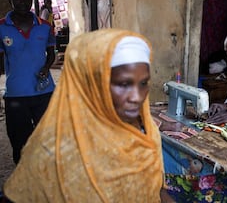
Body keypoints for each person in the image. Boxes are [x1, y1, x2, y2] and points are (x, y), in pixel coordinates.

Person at [3, 28, 174, 202]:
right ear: (91, 85)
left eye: (143, 83)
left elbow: (157, 190)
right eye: (123, 84)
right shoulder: (54, 152)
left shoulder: (148, 131)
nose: (137, 97)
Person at [0, 0, 56, 164]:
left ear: (32, 0)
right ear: (10, 0)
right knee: (19, 142)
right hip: (16, 96)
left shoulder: (45, 26)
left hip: (44, 93)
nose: (22, 2)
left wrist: (47, 67)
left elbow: (51, 54)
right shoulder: (1, 28)